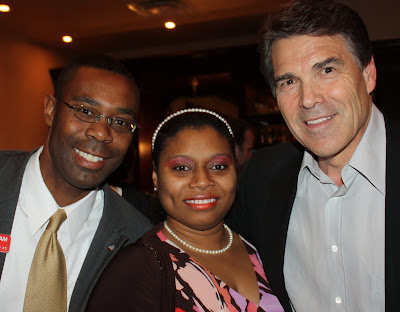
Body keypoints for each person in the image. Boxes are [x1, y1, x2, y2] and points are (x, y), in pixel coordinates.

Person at [228, 0, 400, 311]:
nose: (308, 100)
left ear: (369, 74)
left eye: (327, 70)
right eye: (289, 81)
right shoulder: (260, 178)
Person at [86, 108, 284, 311]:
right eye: (182, 168)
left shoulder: (264, 246)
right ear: (155, 177)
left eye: (218, 166)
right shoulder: (138, 269)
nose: (202, 181)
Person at [0, 55, 152, 312]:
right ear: (50, 109)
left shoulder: (137, 241)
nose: (102, 133)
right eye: (86, 111)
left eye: (121, 122)